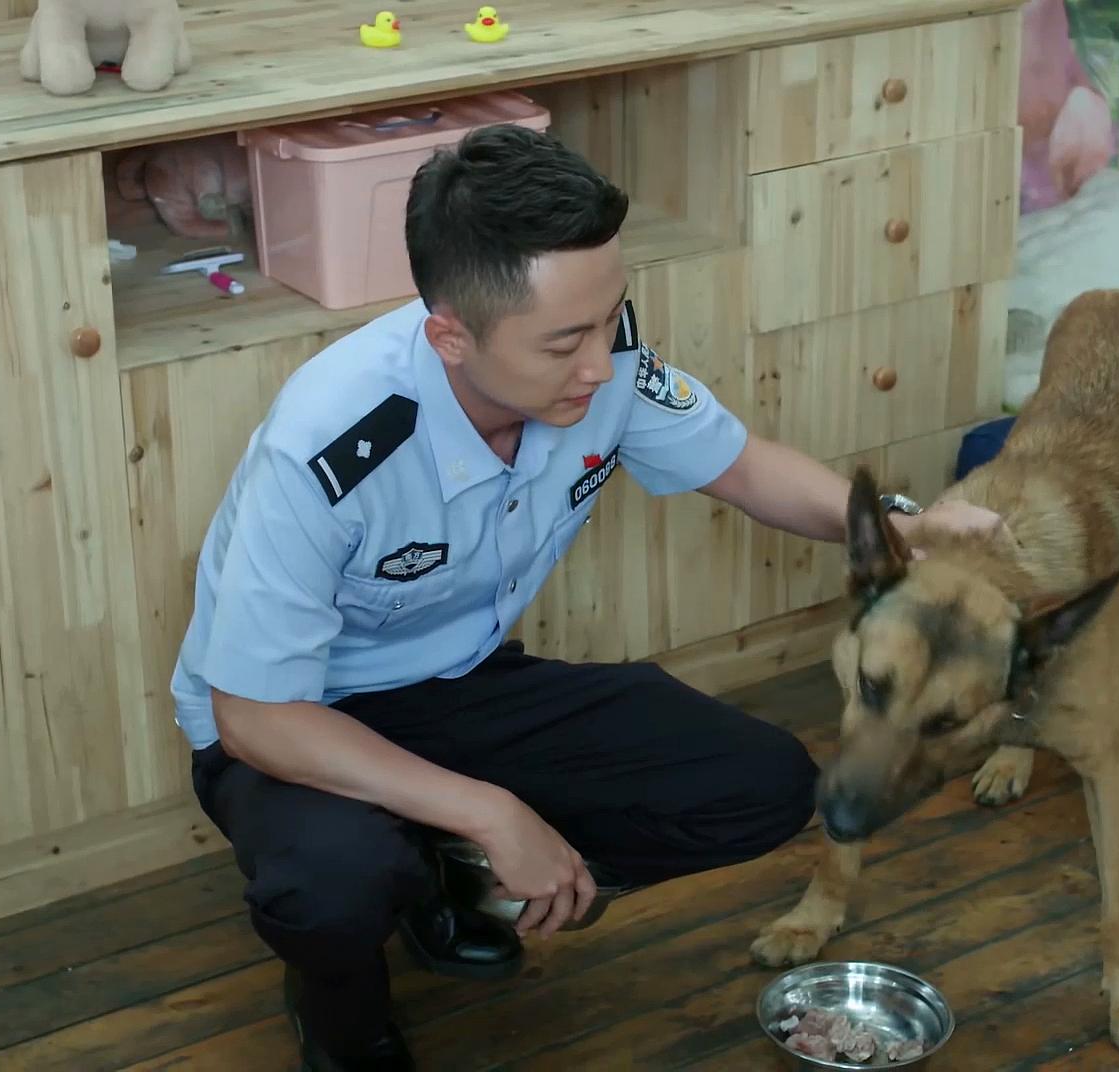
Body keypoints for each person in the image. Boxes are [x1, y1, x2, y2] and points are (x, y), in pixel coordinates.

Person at [170, 122, 995, 1071]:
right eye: (566, 340)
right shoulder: (333, 442)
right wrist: (490, 809)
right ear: (449, 335)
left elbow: (742, 466)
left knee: (762, 784)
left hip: (459, 686)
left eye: (611, 320)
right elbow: (252, 716)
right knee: (332, 886)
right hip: (296, 721)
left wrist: (907, 524)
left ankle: (464, 886)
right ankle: (343, 1016)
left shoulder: (597, 365)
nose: (601, 366)